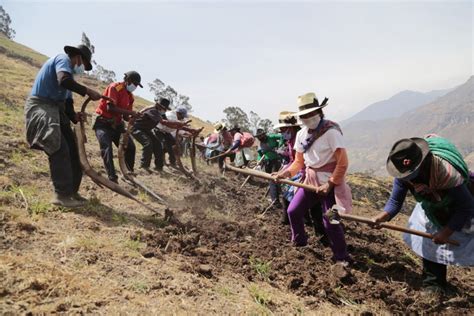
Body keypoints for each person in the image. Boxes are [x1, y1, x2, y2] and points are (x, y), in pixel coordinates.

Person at [372, 135, 473, 294]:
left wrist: (446, 232)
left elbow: (466, 207)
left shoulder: (447, 173)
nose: (410, 179)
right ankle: (434, 284)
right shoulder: (403, 175)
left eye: (413, 173)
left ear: (425, 163)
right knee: (430, 240)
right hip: (432, 207)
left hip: (461, 205)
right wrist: (383, 216)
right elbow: (396, 202)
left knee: (470, 242)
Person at [275, 92, 352, 264]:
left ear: (319, 112)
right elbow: (298, 162)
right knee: (293, 211)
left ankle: (342, 257)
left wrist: (330, 184)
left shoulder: (331, 132)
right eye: (304, 115)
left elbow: (343, 163)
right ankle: (300, 245)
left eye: (311, 114)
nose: (308, 118)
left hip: (329, 182)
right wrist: (285, 173)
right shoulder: (302, 135)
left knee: (330, 221)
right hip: (310, 181)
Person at [25, 44, 102, 207]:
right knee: (59, 146)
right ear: (78, 57)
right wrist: (87, 90)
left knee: (74, 150)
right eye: (83, 65)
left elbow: (67, 105)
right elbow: (64, 80)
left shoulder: (69, 78)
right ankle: (61, 195)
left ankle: (72, 192)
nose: (82, 69)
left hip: (56, 109)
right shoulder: (62, 59)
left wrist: (75, 116)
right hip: (41, 105)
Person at [93, 71, 143, 183]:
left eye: (137, 85)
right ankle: (112, 177)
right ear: (128, 80)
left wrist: (133, 117)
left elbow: (125, 116)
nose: (135, 87)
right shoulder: (115, 87)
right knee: (107, 148)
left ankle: (128, 174)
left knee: (130, 147)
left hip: (117, 125)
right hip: (103, 123)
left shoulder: (130, 96)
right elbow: (111, 108)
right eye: (134, 84)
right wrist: (132, 113)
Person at [132, 98, 189, 171]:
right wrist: (178, 123)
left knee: (158, 145)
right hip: (137, 129)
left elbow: (168, 124)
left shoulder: (161, 113)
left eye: (165, 109)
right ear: (159, 106)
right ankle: (144, 166)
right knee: (148, 144)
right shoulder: (153, 111)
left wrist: (180, 126)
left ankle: (159, 167)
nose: (164, 110)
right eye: (163, 108)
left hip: (147, 130)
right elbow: (163, 122)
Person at [255, 128, 284, 207]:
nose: (260, 137)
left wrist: (280, 146)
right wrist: (258, 161)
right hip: (267, 163)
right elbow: (260, 154)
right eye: (258, 136)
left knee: (273, 180)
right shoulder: (260, 144)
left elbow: (282, 136)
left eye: (261, 135)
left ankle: (275, 200)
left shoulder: (272, 137)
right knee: (271, 180)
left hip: (276, 160)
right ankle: (277, 196)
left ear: (264, 134)